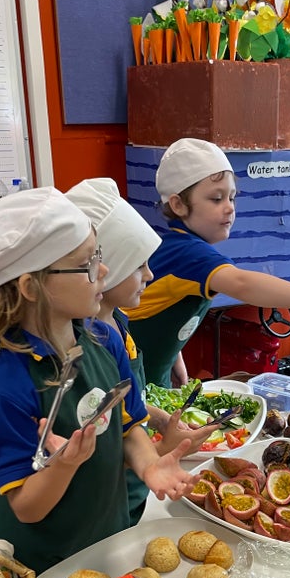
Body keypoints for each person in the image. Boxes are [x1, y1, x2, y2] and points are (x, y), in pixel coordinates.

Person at [0, 187, 196, 573]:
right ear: (32, 287)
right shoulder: (5, 392)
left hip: (105, 536)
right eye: (85, 263)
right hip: (43, 562)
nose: (104, 270)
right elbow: (27, 508)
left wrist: (150, 465)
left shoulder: (105, 338)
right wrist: (63, 466)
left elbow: (128, 429)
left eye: (98, 255)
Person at [125, 138, 290, 388]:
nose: (229, 208)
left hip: (150, 379)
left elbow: (158, 305)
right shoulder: (186, 251)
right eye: (216, 199)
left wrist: (172, 356)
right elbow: (243, 284)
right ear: (178, 204)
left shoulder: (179, 247)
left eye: (232, 198)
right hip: (131, 385)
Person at [65, 176, 221, 525]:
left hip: (136, 493)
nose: (150, 275)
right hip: (109, 502)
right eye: (138, 266)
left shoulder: (118, 321)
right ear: (107, 270)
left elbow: (120, 403)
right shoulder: (86, 345)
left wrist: (160, 417)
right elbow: (99, 441)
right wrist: (163, 452)